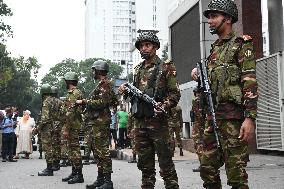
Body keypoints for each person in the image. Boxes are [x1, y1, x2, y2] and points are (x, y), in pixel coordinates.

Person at [191, 1, 258, 188]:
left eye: (214, 17)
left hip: (233, 120)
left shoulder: (241, 44)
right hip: (213, 119)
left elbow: (249, 81)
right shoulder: (215, 50)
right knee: (207, 169)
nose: (210, 21)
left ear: (227, 19)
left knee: (236, 174)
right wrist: (199, 76)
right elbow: (215, 82)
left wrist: (250, 118)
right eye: (209, 17)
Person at [118, 31, 180, 189]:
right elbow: (134, 96)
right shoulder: (138, 69)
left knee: (166, 166)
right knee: (145, 167)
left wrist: (164, 105)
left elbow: (174, 94)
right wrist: (125, 90)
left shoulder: (166, 67)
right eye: (141, 46)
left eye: (147, 45)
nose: (144, 49)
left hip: (160, 125)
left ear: (155, 47)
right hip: (140, 124)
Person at [76, 60, 118, 189]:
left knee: (103, 152)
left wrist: (84, 101)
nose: (92, 72)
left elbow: (103, 103)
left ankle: (108, 182)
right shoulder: (102, 84)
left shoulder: (105, 84)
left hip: (100, 124)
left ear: (99, 71)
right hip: (96, 123)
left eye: (94, 70)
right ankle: (100, 180)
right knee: (97, 152)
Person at [61, 72, 84, 184]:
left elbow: (70, 113)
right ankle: (74, 172)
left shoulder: (74, 93)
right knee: (72, 150)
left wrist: (66, 128)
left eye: (65, 81)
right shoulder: (74, 93)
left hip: (72, 126)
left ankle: (79, 175)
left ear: (69, 81)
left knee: (75, 151)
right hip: (72, 125)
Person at [37, 84, 62, 176]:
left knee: (48, 148)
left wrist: (37, 128)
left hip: (47, 128)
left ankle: (49, 169)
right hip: (55, 126)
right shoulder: (57, 101)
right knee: (54, 146)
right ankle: (54, 164)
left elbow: (44, 118)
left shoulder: (46, 102)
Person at [190, 85, 205, 172]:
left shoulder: (196, 100)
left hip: (198, 126)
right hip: (204, 125)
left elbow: (197, 115)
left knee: (198, 144)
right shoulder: (204, 99)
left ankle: (203, 165)